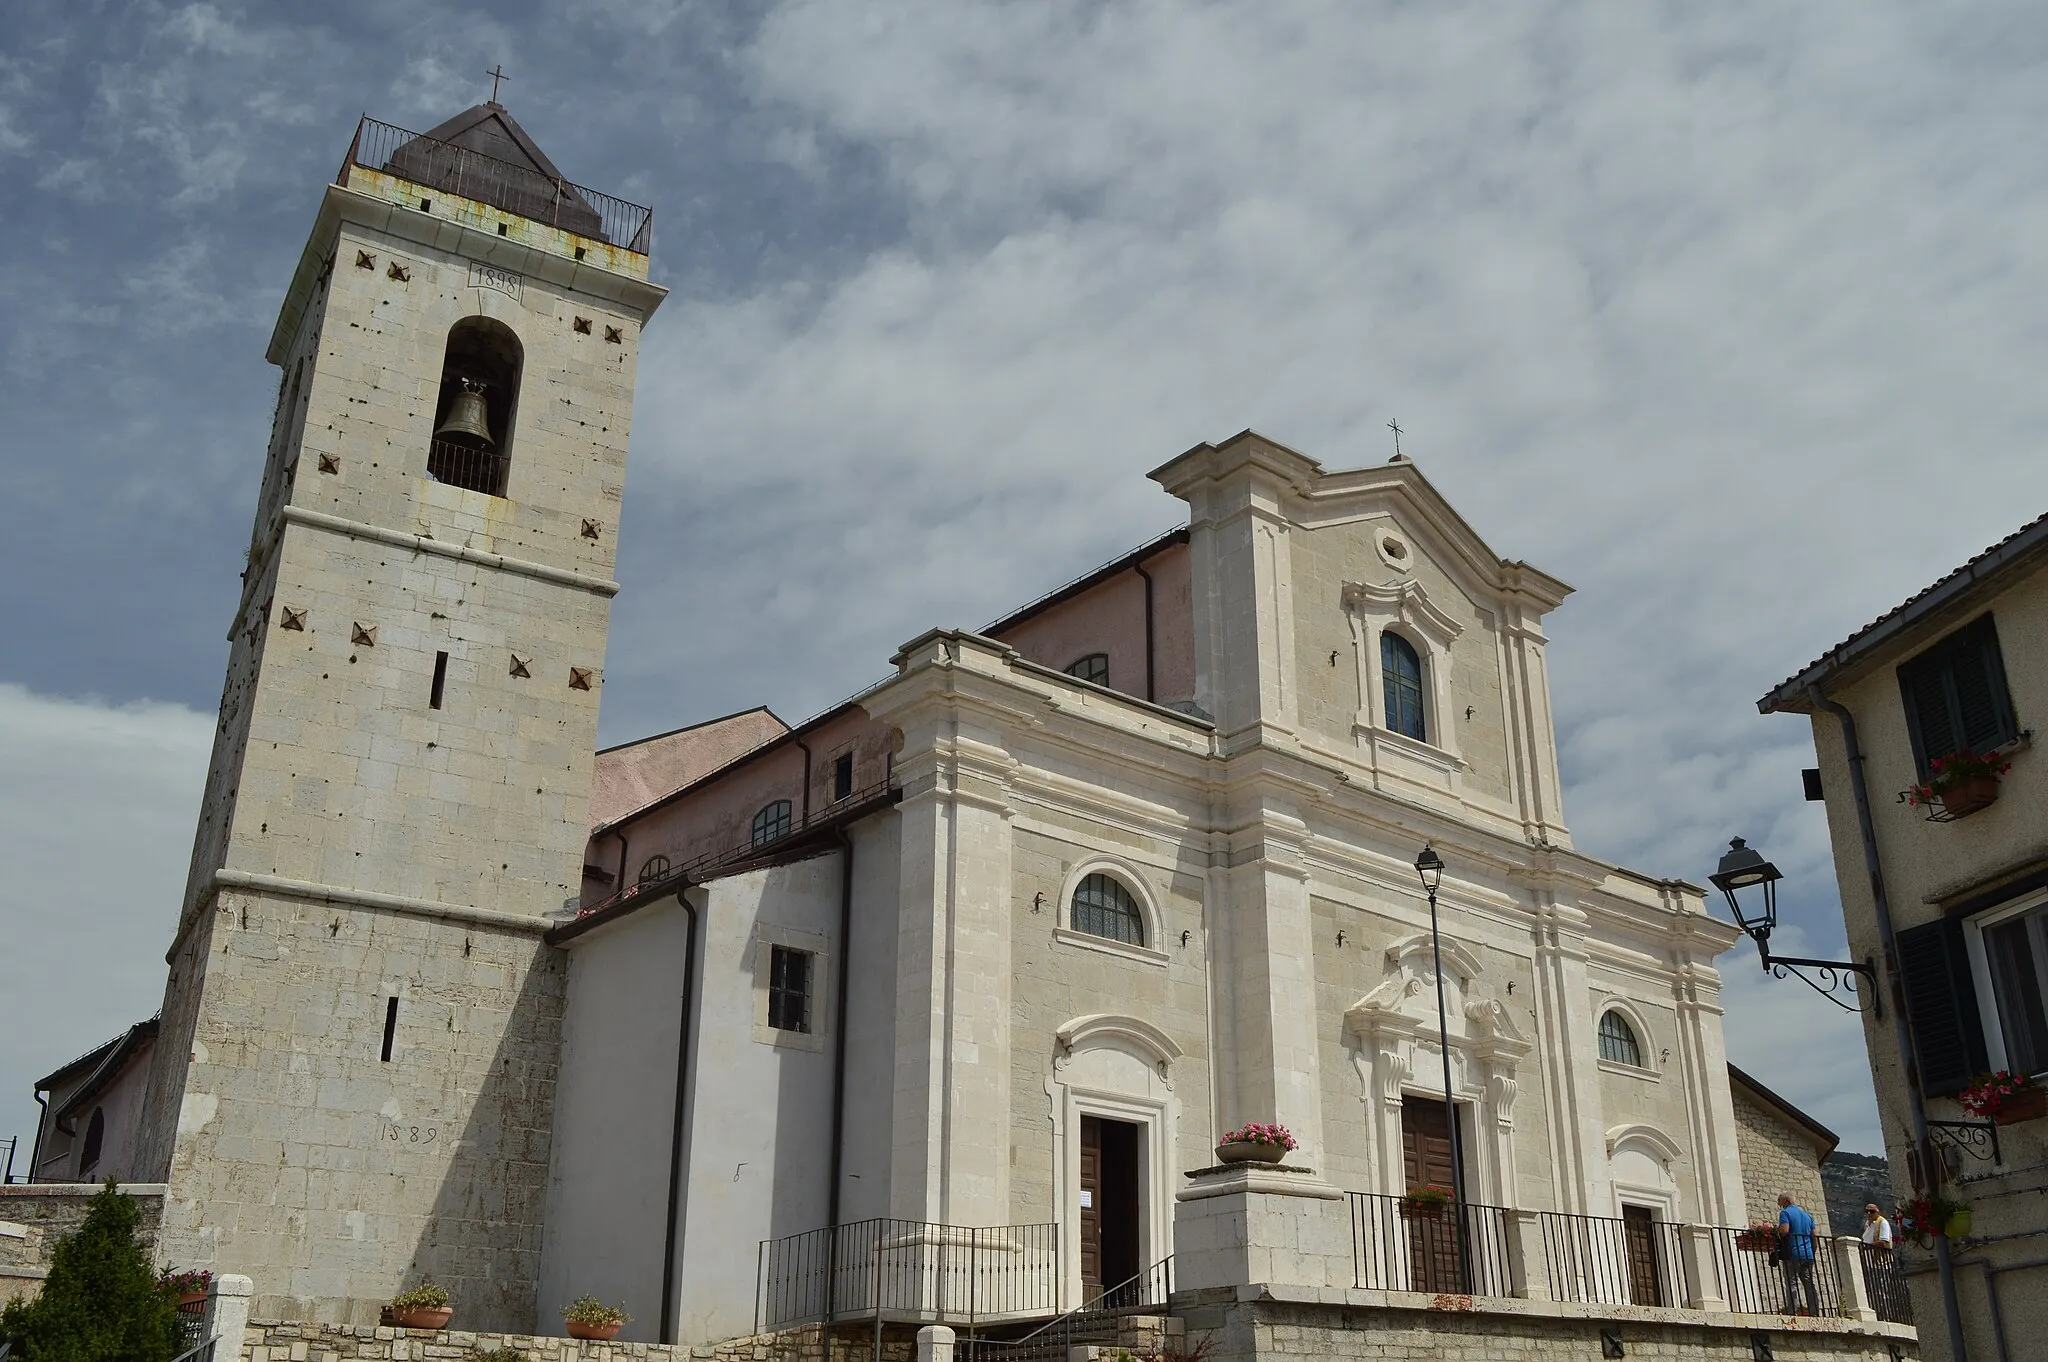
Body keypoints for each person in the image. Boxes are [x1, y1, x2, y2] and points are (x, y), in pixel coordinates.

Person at [1777, 1193, 1820, 1315]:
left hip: (1793, 1254)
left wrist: (1776, 1231)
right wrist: (1813, 1250)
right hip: (1808, 1254)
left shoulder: (1785, 1213)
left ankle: (1792, 1311)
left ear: (1785, 1201)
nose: (1778, 1204)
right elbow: (1815, 1235)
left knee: (1792, 1282)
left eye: (1779, 1201)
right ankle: (1814, 1311)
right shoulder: (1807, 1216)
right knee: (1808, 1283)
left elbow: (1785, 1231)